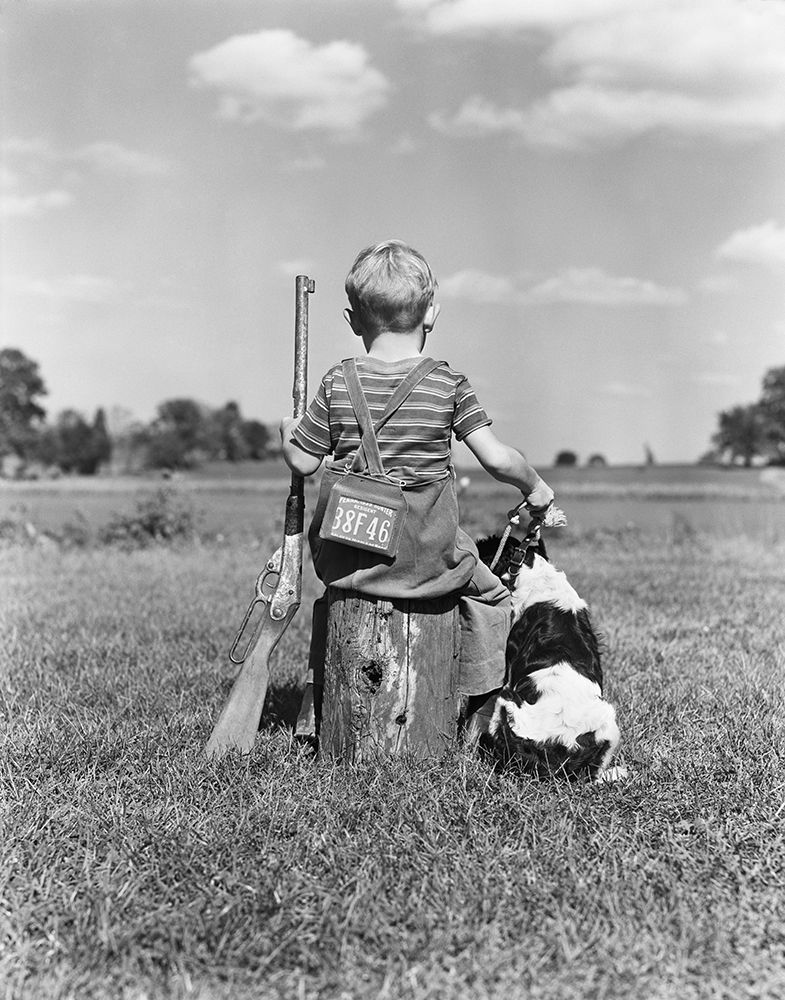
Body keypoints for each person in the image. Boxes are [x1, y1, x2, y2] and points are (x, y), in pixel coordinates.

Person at [280, 240, 554, 727]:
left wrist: (288, 430)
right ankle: (474, 705)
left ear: (353, 321)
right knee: (491, 598)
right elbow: (496, 458)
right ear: (431, 313)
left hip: (348, 564)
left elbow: (302, 462)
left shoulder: (336, 383)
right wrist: (534, 485)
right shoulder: (448, 385)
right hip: (429, 563)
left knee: (329, 605)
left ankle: (314, 707)